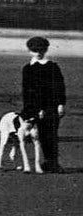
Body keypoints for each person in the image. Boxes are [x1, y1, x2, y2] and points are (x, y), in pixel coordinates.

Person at [22, 36, 66, 173]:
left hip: (52, 106)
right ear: (30, 51)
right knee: (38, 135)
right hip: (34, 107)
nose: (38, 53)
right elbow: (27, 91)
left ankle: (52, 162)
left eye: (41, 50)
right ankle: (40, 162)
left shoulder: (52, 67)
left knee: (51, 134)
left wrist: (61, 104)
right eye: (35, 50)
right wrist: (34, 109)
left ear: (46, 50)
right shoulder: (27, 68)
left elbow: (60, 87)